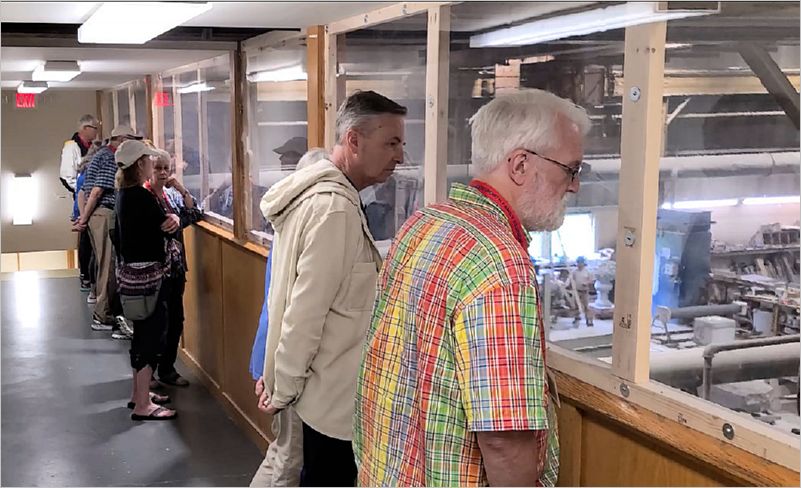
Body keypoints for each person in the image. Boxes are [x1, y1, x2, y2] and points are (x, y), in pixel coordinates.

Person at [354, 89, 590, 486]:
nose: (574, 186)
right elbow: (503, 437)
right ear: (519, 164)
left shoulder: (423, 224)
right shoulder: (499, 263)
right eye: (571, 169)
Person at [258, 91, 406, 486]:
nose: (400, 156)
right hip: (330, 408)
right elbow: (304, 313)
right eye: (390, 142)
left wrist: (278, 376)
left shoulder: (328, 200)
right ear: (353, 141)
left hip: (323, 399)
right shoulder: (333, 209)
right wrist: (282, 388)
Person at [248, 147, 329, 488]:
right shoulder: (307, 226)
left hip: (276, 356)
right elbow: (295, 313)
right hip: (284, 360)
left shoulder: (289, 220)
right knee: (288, 455)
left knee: (285, 450)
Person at [113, 139, 180, 421]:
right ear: (140, 164)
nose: (154, 166)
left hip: (132, 277)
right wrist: (174, 218)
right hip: (149, 278)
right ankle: (143, 404)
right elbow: (165, 226)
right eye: (150, 161)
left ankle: (138, 394)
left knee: (141, 335)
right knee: (150, 337)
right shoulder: (140, 198)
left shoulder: (123, 194)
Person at [74, 126, 141, 333]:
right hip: (103, 214)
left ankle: (103, 311)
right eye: (130, 140)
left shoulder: (101, 155)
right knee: (108, 266)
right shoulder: (109, 158)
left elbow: (84, 192)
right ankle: (102, 315)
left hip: (98, 215)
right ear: (120, 140)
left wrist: (84, 218)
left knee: (105, 264)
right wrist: (83, 220)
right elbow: (95, 192)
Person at [146, 149, 203, 387]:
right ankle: (148, 373)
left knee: (176, 320)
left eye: (165, 168)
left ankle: (167, 369)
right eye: (157, 168)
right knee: (156, 323)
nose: (161, 173)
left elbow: (193, 213)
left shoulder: (170, 196)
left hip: (176, 269)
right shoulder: (145, 197)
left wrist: (180, 188)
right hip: (155, 270)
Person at [60, 114, 99, 194]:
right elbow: (67, 177)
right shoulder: (71, 146)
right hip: (83, 194)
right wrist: (83, 191)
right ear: (85, 128)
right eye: (95, 128)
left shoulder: (93, 147)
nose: (97, 131)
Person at [572, 256, 595, 327]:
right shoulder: (574, 272)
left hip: (584, 291)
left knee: (586, 307)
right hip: (576, 291)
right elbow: (571, 279)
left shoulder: (588, 271)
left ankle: (589, 320)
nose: (579, 264)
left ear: (583, 263)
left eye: (580, 262)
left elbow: (592, 280)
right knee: (576, 305)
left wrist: (586, 283)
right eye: (578, 262)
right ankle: (577, 317)